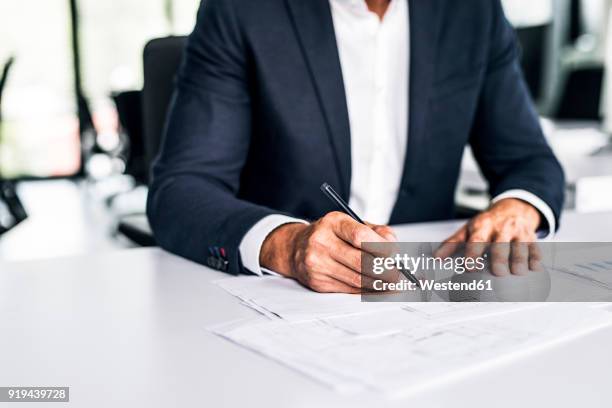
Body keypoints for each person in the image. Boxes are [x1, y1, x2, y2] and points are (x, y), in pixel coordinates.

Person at [147, 0, 565, 293]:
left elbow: (528, 160)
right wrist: (287, 244)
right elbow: (181, 190)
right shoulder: (242, 10)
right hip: (282, 304)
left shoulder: (473, 12)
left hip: (427, 301)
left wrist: (518, 207)